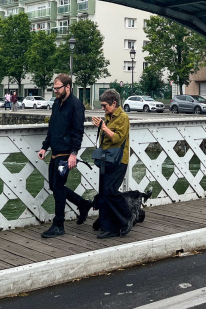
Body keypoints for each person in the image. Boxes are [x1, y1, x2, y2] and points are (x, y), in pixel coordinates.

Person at [37, 73, 91, 238]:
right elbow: (52, 127)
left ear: (68, 87)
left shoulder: (76, 105)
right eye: (54, 88)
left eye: (58, 88)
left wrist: (73, 154)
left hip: (66, 154)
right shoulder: (56, 103)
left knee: (58, 187)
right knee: (54, 186)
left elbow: (78, 132)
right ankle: (83, 204)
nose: (55, 91)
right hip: (55, 153)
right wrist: (45, 147)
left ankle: (58, 224)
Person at [91, 89, 135, 239]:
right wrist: (102, 126)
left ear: (114, 103)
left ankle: (127, 216)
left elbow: (117, 139)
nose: (103, 108)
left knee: (110, 190)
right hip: (106, 159)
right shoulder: (108, 117)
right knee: (104, 192)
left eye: (105, 105)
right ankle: (107, 225)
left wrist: (103, 127)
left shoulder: (123, 118)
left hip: (118, 160)